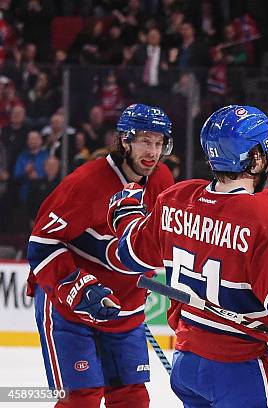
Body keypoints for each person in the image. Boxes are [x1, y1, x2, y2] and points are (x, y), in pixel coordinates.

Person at [106, 105, 268, 407]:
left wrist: (126, 215)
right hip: (243, 371)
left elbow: (129, 254)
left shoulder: (177, 199)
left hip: (188, 366)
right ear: (256, 158)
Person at [26, 104, 175, 407]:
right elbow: (41, 244)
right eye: (146, 140)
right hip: (70, 306)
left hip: (126, 309)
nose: (153, 151)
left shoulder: (161, 181)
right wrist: (79, 287)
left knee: (131, 398)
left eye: (159, 143)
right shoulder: (85, 184)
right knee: (82, 399)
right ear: (125, 140)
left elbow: (161, 240)